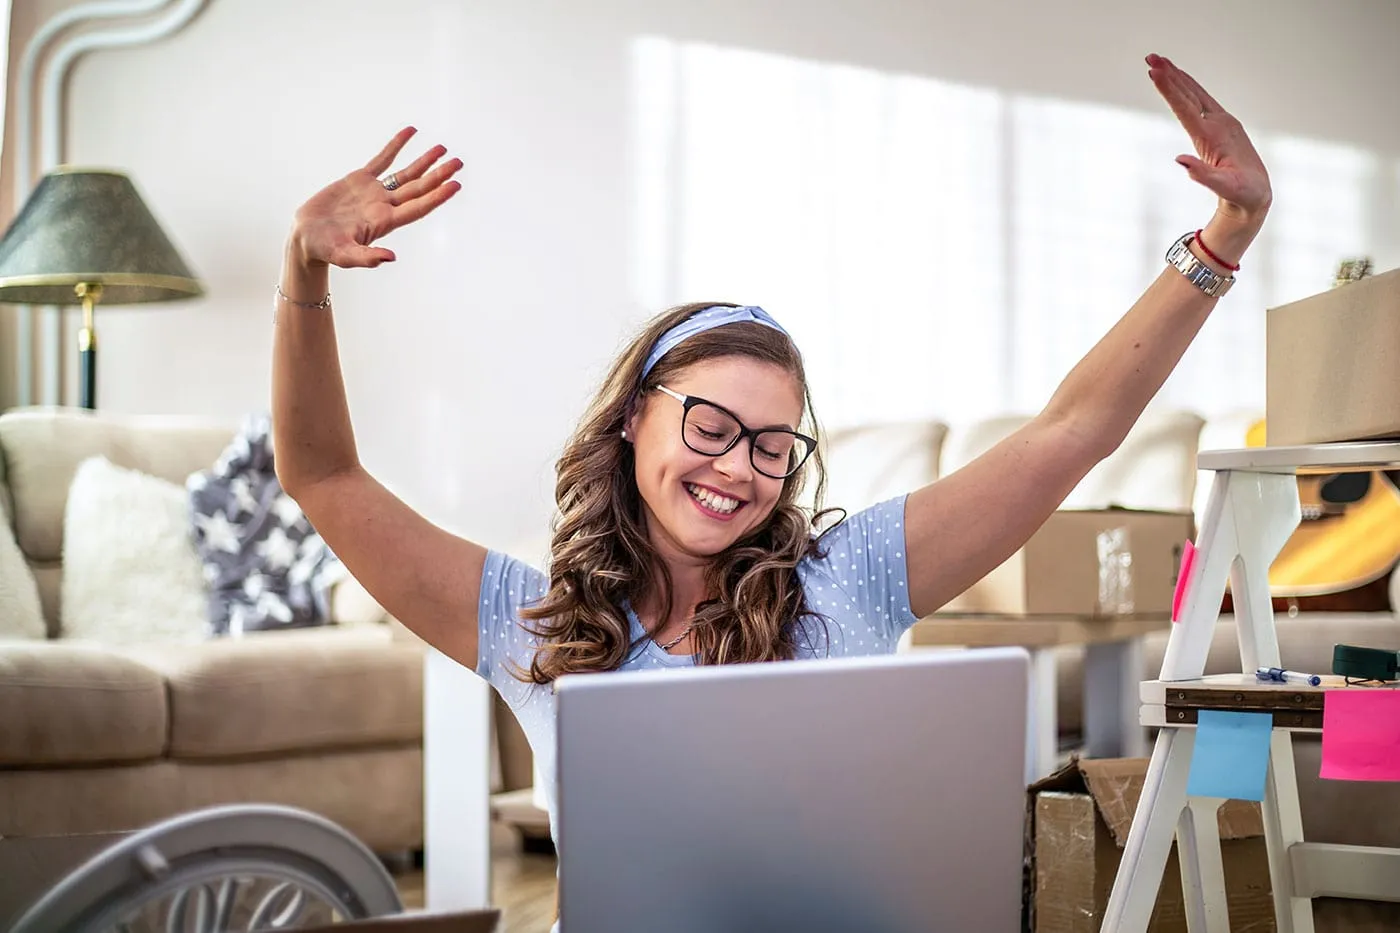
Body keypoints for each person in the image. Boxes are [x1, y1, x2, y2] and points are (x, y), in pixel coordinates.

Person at [272, 54, 1270, 847]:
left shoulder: (852, 582)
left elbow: (1069, 431)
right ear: (632, 420)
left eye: (770, 446)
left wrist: (1221, 238)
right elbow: (321, 476)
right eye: (708, 427)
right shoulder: (528, 628)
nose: (736, 468)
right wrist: (303, 274)